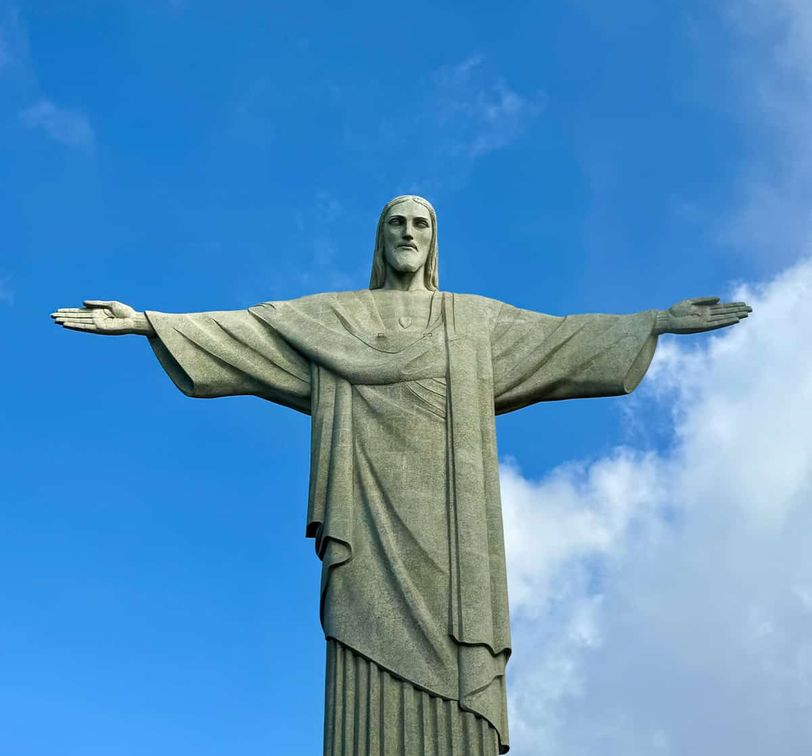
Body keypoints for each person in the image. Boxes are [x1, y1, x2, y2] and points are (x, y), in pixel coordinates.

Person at [52, 195, 751, 755]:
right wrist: (148, 323)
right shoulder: (335, 318)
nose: (408, 232)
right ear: (380, 239)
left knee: (458, 655)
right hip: (365, 521)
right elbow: (251, 331)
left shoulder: (472, 321)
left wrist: (653, 321)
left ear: (434, 240)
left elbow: (561, 337)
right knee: (362, 650)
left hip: (454, 536)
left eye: (421, 223)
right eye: (396, 223)